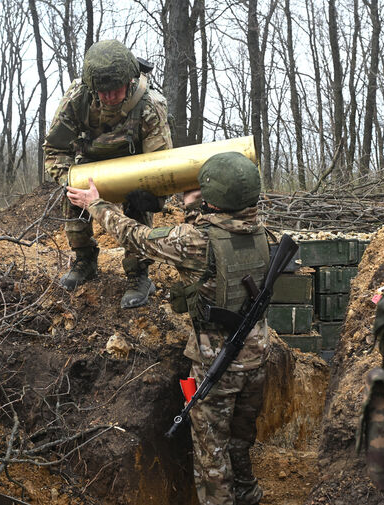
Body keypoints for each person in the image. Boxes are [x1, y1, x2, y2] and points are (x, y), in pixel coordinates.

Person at [66, 152, 268, 505]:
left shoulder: (193, 242)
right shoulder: (264, 232)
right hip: (257, 356)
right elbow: (219, 230)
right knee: (240, 440)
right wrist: (195, 205)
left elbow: (137, 236)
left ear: (213, 199)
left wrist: (96, 204)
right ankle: (249, 494)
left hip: (216, 365)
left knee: (212, 457)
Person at [44, 39, 173, 308]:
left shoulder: (149, 106)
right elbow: (54, 148)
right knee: (74, 192)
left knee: (139, 204)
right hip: (90, 164)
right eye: (103, 92)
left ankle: (139, 275)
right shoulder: (78, 99)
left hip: (136, 168)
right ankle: (85, 261)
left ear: (129, 80)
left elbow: (162, 164)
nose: (109, 97)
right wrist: (69, 179)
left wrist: (155, 198)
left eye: (116, 90)